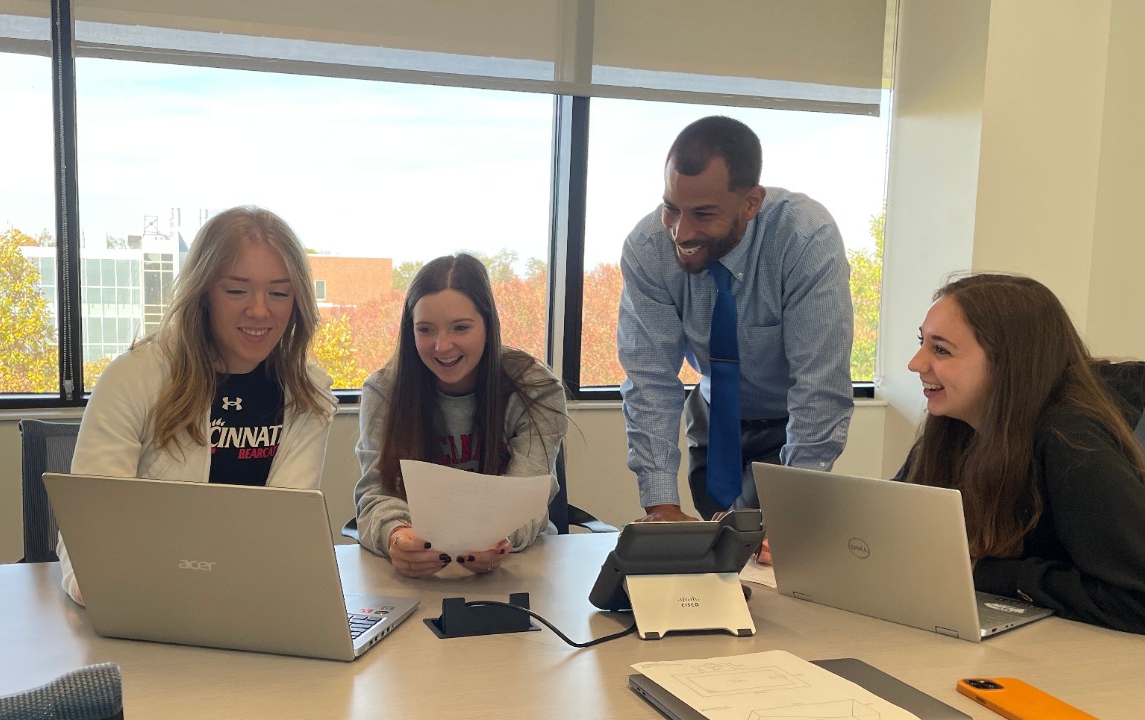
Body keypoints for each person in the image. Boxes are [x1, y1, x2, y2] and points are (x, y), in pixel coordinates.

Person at [57, 205, 337, 604]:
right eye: (237, 290)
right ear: (203, 292)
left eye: (279, 292)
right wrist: (99, 585)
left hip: (246, 600)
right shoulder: (132, 378)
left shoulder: (310, 395)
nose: (260, 309)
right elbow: (89, 525)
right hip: (144, 596)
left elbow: (283, 534)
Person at [902, 273, 1145, 638]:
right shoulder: (954, 426)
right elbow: (902, 534)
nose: (916, 364)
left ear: (1008, 363)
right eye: (922, 343)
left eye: (941, 350)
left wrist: (987, 573)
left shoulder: (1071, 443)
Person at [617, 115, 855, 539]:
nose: (680, 232)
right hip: (713, 422)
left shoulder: (805, 237)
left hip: (789, 427)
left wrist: (789, 513)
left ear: (751, 203)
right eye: (672, 207)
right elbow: (649, 380)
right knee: (718, 552)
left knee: (774, 549)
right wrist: (660, 505)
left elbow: (819, 388)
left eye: (703, 214)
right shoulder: (647, 247)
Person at [354, 253, 569, 578]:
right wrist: (395, 536)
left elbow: (529, 495)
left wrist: (496, 538)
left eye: (460, 328)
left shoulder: (535, 387)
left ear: (488, 325)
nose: (442, 346)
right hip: (417, 574)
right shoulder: (384, 390)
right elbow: (377, 494)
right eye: (425, 330)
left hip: (517, 570)